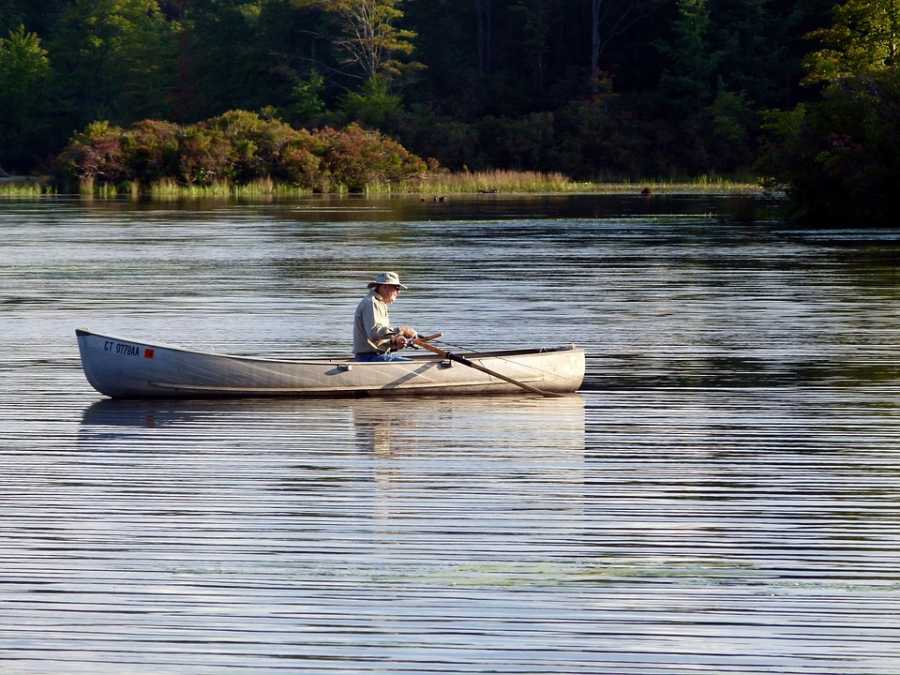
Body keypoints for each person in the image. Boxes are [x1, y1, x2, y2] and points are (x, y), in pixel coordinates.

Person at [353, 272, 418, 362]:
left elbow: (378, 340)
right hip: (369, 358)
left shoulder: (380, 303)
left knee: (411, 363)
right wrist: (402, 330)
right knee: (412, 364)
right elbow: (374, 333)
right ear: (385, 287)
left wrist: (395, 342)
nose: (398, 292)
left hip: (375, 356)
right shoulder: (371, 303)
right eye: (396, 288)